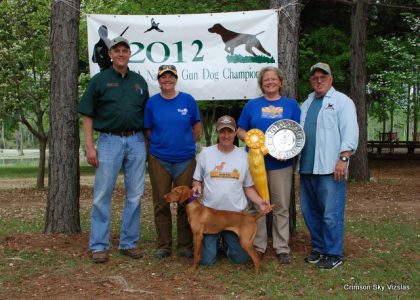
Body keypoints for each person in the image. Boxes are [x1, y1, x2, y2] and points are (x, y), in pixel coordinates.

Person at [78, 36, 149, 263]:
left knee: (135, 195)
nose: (120, 54)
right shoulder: (99, 80)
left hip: (137, 141)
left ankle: (128, 242)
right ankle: (99, 245)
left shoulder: (139, 82)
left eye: (124, 50)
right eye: (116, 50)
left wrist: (147, 144)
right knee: (102, 195)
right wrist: (90, 146)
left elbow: (146, 116)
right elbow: (87, 115)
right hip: (109, 141)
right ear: (110, 54)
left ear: (130, 54)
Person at [237, 66, 301, 264]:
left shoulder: (291, 105)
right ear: (261, 84)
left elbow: (297, 133)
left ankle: (282, 248)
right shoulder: (252, 105)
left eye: (274, 79)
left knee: (281, 206)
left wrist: (288, 150)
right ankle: (259, 246)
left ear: (281, 82)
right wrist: (252, 143)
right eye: (266, 80)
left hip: (281, 165)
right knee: (258, 205)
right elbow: (240, 130)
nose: (270, 82)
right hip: (256, 164)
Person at [299, 62, 359, 269]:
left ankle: (334, 253)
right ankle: (319, 249)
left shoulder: (342, 101)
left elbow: (350, 131)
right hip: (306, 167)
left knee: (330, 214)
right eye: (315, 78)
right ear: (311, 81)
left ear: (330, 79)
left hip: (330, 168)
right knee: (310, 212)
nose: (319, 80)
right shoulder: (305, 104)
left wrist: (343, 159)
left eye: (322, 77)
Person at [192, 115, 270, 266]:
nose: (226, 136)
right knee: (207, 261)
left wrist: (261, 202)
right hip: (210, 217)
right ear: (218, 132)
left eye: (230, 132)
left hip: (234, 217)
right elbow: (197, 180)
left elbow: (248, 187)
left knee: (240, 259)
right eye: (222, 132)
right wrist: (196, 187)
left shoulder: (244, 156)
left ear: (235, 134)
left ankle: (226, 243)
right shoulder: (205, 154)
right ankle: (215, 243)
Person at [144, 65, 202, 259]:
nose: (167, 80)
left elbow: (197, 127)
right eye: (163, 77)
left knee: (186, 202)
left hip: (185, 160)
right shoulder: (152, 103)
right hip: (160, 159)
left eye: (171, 76)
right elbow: (148, 130)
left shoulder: (188, 100)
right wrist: (162, 145)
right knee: (161, 202)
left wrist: (184, 144)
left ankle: (185, 245)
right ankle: (164, 245)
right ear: (158, 80)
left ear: (176, 78)